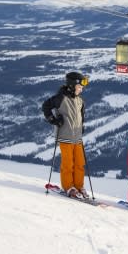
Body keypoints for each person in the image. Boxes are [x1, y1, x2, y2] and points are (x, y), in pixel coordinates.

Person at [42, 71, 90, 199]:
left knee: (80, 163)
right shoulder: (60, 98)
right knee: (68, 164)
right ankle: (69, 187)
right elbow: (46, 106)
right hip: (65, 136)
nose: (81, 90)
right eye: (79, 87)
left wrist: (82, 126)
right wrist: (53, 120)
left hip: (77, 138)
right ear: (72, 85)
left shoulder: (80, 100)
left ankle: (79, 186)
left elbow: (81, 116)